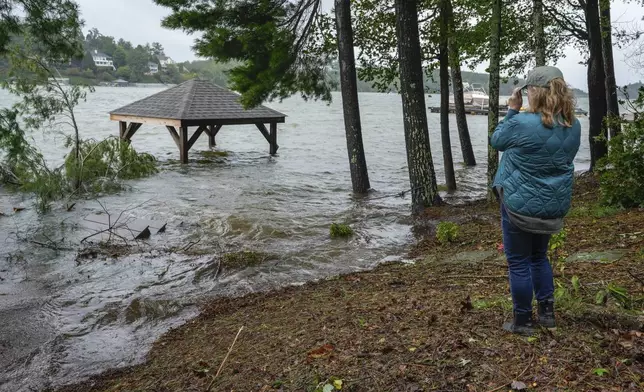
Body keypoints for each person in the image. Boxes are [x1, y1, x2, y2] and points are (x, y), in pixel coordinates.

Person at [490, 66, 582, 336]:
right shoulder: (573, 125)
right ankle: (547, 313)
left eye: (528, 89)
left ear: (534, 92)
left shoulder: (520, 122)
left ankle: (522, 320)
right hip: (551, 204)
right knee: (539, 257)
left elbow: (497, 140)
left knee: (518, 261)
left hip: (518, 204)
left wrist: (511, 109)